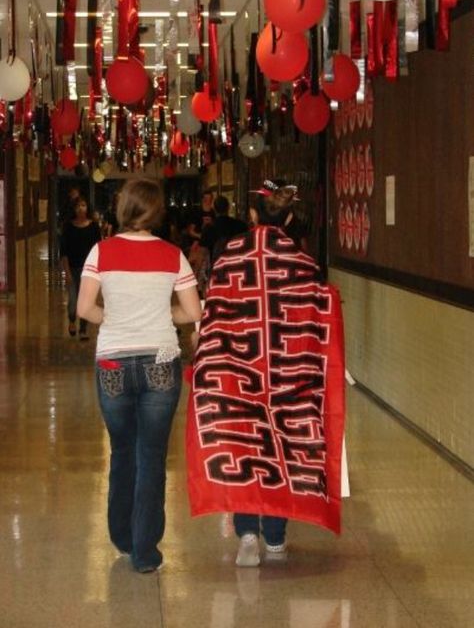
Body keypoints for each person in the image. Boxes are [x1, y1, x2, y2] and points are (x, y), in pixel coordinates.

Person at [186, 180, 345, 569]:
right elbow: (319, 312)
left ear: (252, 215)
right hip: (289, 374)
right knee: (283, 447)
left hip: (236, 371)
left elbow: (214, 315)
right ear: (289, 216)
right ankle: (276, 537)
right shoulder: (304, 263)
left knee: (245, 443)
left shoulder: (229, 257)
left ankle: (247, 537)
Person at [77, 178, 201, 573]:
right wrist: (163, 316)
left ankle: (122, 536)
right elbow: (193, 313)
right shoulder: (173, 255)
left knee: (123, 450)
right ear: (156, 212)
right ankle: (146, 552)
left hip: (113, 360)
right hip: (161, 359)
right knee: (152, 455)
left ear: (123, 209)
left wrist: (112, 319)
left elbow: (83, 308)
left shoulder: (101, 251)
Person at [60, 196, 102, 340]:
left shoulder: (94, 227)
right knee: (73, 301)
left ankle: (83, 329)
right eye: (77, 206)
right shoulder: (68, 227)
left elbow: (98, 249)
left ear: (87, 208)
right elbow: (63, 251)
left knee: (86, 300)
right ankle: (72, 320)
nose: (80, 208)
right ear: (74, 209)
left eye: (83, 205)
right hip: (73, 268)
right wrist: (67, 272)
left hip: (89, 270)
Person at [199, 195, 248, 267]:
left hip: (216, 267)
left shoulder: (209, 228)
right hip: (236, 265)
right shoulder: (241, 225)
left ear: (214, 209)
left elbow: (202, 253)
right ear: (228, 207)